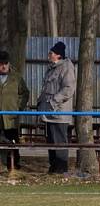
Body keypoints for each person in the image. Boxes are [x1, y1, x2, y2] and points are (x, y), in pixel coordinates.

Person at [36, 41, 75, 174]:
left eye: (51, 53)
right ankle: (53, 168)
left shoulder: (66, 67)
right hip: (48, 113)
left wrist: (54, 101)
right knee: (51, 142)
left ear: (58, 55)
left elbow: (68, 89)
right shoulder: (51, 68)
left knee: (60, 142)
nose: (49, 55)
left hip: (59, 113)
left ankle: (61, 170)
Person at [0, 49, 29, 170]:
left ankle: (14, 167)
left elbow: (25, 93)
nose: (3, 66)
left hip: (11, 117)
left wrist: (18, 107)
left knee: (12, 141)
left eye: (5, 63)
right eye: (1, 63)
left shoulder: (16, 78)